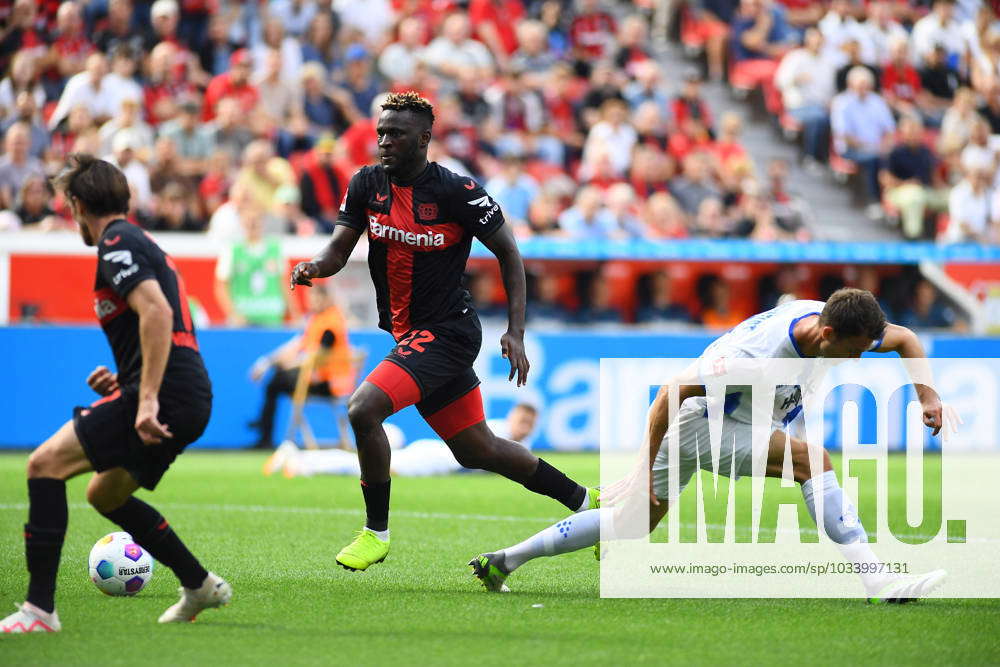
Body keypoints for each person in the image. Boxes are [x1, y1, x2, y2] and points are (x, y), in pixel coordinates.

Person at [470, 289, 948, 604]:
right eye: (855, 350)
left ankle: (504, 561)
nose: (860, 357)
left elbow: (904, 338)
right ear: (827, 335)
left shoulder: (831, 318)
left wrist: (928, 398)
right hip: (706, 423)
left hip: (719, 423)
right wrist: (640, 470)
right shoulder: (756, 359)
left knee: (634, 522)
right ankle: (877, 580)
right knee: (812, 461)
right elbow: (668, 395)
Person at [290, 92, 597, 573]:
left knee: (364, 407)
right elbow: (336, 251)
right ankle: (589, 504)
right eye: (381, 133)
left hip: (449, 332)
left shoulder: (458, 191)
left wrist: (516, 331)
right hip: (408, 334)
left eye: (396, 134)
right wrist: (314, 266)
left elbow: (510, 254)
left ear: (424, 139)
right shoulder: (366, 183)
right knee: (479, 449)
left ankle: (376, 533)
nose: (385, 141)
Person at [0, 155, 230, 634]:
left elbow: (158, 314)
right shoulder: (140, 242)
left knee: (44, 465)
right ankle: (198, 583)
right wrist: (129, 380)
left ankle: (38, 610)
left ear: (78, 205)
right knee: (104, 493)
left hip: (167, 393)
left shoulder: (116, 241)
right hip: (186, 393)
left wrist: (145, 398)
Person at [269, 403, 541, 478]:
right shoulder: (498, 430)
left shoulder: (521, 447)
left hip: (435, 460)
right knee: (366, 467)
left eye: (529, 424)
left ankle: (301, 459)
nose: (524, 427)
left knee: (364, 464)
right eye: (522, 420)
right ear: (512, 417)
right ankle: (302, 461)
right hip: (433, 460)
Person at [248, 281, 356, 449]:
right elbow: (297, 345)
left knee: (276, 381)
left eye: (316, 298)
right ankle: (263, 427)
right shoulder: (316, 319)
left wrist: (287, 364)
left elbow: (317, 356)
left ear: (327, 299)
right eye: (311, 298)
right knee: (277, 377)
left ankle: (264, 432)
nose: (312, 302)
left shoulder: (331, 322)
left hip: (329, 383)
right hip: (317, 378)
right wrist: (267, 362)